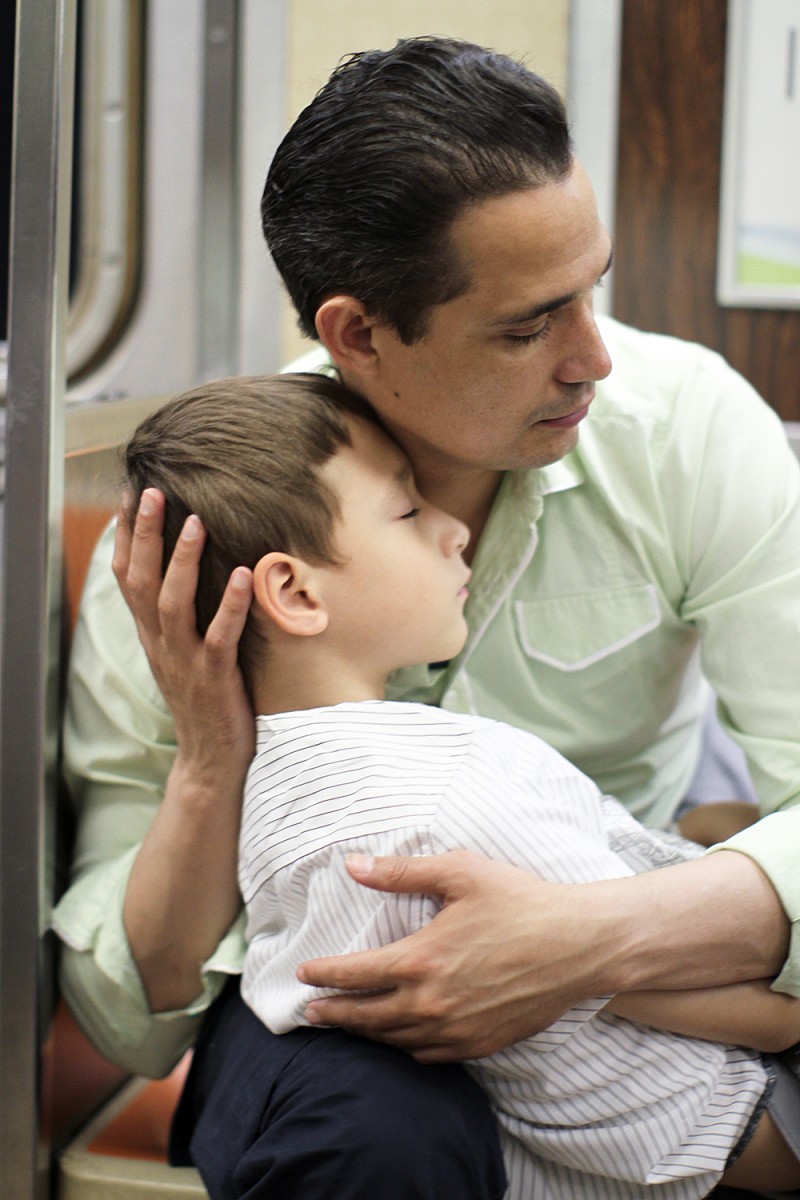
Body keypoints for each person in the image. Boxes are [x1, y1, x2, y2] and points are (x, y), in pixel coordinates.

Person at [52, 36, 800, 1199]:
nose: (592, 360)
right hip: (324, 998)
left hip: (640, 936)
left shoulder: (686, 432)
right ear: (355, 334)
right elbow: (133, 1018)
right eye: (526, 326)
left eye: (589, 290)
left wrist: (587, 943)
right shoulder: (201, 541)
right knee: (369, 1136)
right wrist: (210, 764)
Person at [122, 371, 800, 1199]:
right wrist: (787, 1019)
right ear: (294, 592)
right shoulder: (448, 792)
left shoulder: (277, 796)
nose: (453, 532)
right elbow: (629, 972)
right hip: (731, 1118)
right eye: (408, 513)